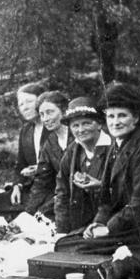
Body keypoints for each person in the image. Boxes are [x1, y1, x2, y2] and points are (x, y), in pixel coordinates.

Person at [81, 82, 140, 249]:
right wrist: (98, 223)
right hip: (123, 225)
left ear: (135, 118)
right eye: (110, 116)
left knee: (78, 248)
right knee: (69, 242)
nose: (115, 122)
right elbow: (105, 199)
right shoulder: (115, 146)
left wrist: (108, 228)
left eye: (122, 115)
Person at [0, 82, 51, 218]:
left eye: (29, 101)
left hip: (51, 187)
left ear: (42, 102)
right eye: (21, 104)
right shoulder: (26, 130)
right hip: (31, 187)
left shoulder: (52, 128)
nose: (25, 107)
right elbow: (21, 165)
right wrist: (17, 185)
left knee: (32, 212)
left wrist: (39, 169)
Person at [54, 97, 111, 235]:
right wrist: (62, 231)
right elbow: (62, 192)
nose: (81, 130)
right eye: (75, 125)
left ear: (99, 124)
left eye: (86, 123)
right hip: (80, 225)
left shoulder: (112, 147)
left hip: (108, 224)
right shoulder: (72, 151)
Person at [23, 91, 71, 218]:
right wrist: (28, 213)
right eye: (42, 114)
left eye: (50, 112)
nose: (45, 119)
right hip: (61, 195)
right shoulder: (50, 142)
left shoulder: (77, 137)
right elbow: (41, 182)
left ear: (64, 111)